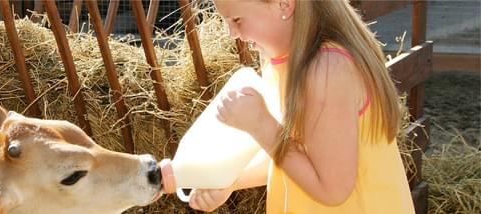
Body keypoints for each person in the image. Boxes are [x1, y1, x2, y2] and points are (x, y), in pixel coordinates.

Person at [160, 0, 416, 213]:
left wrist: (260, 124)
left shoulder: (327, 71)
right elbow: (292, 154)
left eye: (237, 20)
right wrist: (228, 182)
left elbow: (332, 189)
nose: (232, 34)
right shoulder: (281, 61)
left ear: (284, 4)